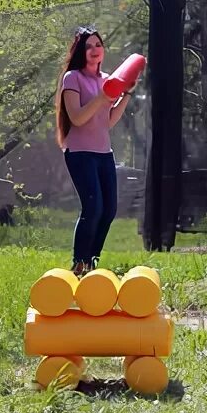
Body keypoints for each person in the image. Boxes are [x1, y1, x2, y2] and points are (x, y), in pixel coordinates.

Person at [54, 27, 134, 276]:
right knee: (93, 208)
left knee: (108, 210)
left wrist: (126, 94)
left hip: (104, 153)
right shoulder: (72, 78)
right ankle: (79, 263)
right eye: (88, 46)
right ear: (80, 51)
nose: (94, 50)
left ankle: (92, 263)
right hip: (80, 153)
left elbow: (107, 121)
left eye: (98, 45)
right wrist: (101, 97)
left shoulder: (106, 79)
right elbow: (77, 118)